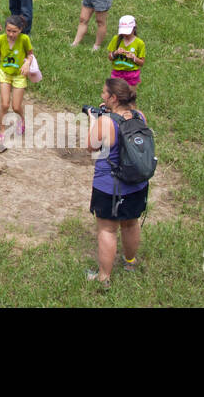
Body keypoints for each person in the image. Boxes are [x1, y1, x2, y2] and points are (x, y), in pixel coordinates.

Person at [85, 78, 148, 289]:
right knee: (131, 223)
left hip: (109, 186)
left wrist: (94, 119)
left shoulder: (106, 122)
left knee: (107, 230)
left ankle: (104, 278)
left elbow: (91, 146)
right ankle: (130, 263)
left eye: (104, 93)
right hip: (137, 183)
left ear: (113, 98)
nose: (102, 96)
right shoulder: (140, 116)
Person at [0, 14, 33, 151]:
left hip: (19, 76)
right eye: (8, 30)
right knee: (4, 104)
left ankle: (21, 120)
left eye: (14, 31)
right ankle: (2, 131)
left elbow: (30, 54)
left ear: (20, 30)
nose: (10, 34)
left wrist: (27, 63)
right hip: (5, 74)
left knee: (16, 107)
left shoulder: (24, 39)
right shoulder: (0, 39)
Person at [105, 15, 146, 88]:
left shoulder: (139, 43)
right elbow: (110, 57)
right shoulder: (116, 39)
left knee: (130, 95)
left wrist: (133, 58)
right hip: (117, 73)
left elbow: (142, 63)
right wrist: (116, 53)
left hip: (132, 74)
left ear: (134, 29)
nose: (125, 34)